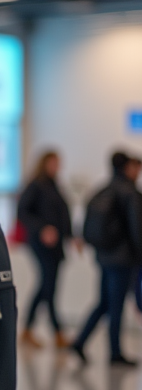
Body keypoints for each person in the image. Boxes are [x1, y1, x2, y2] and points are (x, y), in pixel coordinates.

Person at [70, 151, 142, 367]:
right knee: (116, 305)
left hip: (104, 256)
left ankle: (80, 342)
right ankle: (115, 353)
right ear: (127, 167)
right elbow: (137, 228)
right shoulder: (130, 193)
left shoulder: (102, 190)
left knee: (104, 302)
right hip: (124, 259)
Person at [17, 150, 76, 348]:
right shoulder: (36, 185)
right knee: (48, 286)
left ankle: (28, 330)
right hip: (40, 244)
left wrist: (71, 236)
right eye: (53, 163)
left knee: (47, 286)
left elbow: (62, 215)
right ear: (44, 163)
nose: (57, 167)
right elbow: (23, 212)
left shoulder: (55, 186)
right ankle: (57, 332)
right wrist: (42, 229)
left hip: (56, 245)